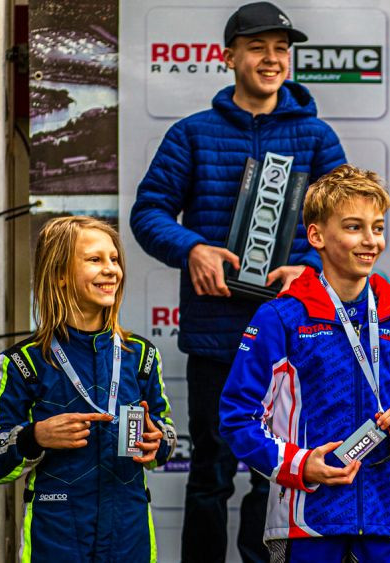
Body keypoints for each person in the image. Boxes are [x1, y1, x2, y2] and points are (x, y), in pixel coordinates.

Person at [129, 2, 346, 560]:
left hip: (293, 337)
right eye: (257, 48)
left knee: (278, 473)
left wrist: (311, 267)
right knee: (210, 474)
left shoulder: (317, 137)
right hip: (216, 337)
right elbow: (148, 212)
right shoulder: (192, 134)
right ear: (229, 57)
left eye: (281, 49)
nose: (271, 59)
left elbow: (345, 222)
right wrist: (192, 248)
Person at [219, 165, 390, 562]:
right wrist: (301, 464)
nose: (370, 240)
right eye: (354, 227)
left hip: (388, 523)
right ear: (317, 236)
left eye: (378, 228)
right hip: (306, 524)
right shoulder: (282, 319)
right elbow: (238, 418)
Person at [0, 216, 177, 561]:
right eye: (95, 259)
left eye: (114, 259)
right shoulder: (24, 362)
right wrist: (35, 437)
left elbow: (167, 437)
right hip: (56, 537)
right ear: (60, 274)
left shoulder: (141, 355)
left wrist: (157, 441)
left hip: (129, 534)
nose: (111, 269)